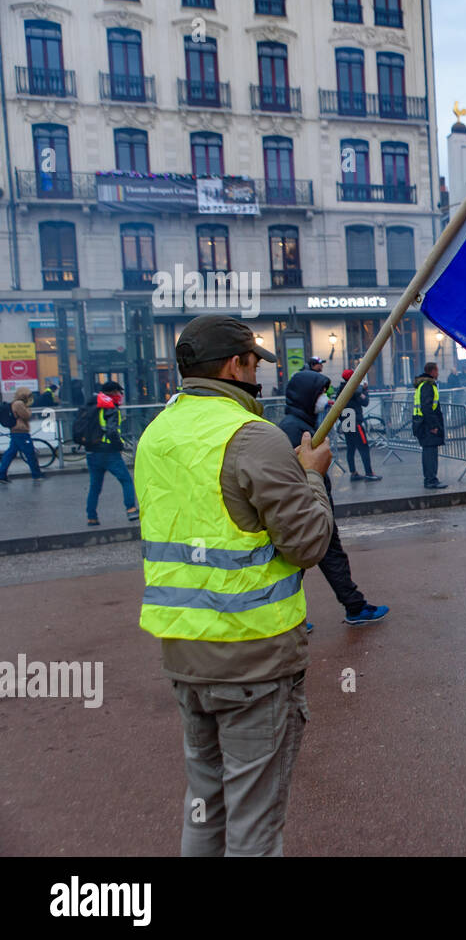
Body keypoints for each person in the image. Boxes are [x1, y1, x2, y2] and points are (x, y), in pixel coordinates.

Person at [134, 314, 334, 856]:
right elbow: (309, 543)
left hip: (184, 653)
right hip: (252, 657)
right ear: (233, 365)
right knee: (254, 820)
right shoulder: (252, 438)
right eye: (253, 362)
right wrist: (312, 473)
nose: (259, 374)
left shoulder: (156, 434)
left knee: (204, 805)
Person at [278, 369, 389, 627]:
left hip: (312, 504)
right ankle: (345, 607)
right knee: (306, 563)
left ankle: (350, 605)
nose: (324, 397)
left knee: (320, 559)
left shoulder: (301, 422)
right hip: (308, 506)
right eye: (319, 392)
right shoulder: (295, 428)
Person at [84, 381, 139, 526]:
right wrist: (119, 445)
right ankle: (131, 510)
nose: (120, 395)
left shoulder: (92, 405)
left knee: (95, 486)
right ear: (113, 392)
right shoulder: (111, 408)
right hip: (108, 452)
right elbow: (112, 431)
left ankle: (91, 517)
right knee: (126, 480)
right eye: (119, 392)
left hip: (91, 452)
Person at [339, 368, 380, 481]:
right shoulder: (354, 390)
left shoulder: (341, 389)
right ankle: (369, 473)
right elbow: (365, 402)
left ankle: (353, 472)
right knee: (364, 447)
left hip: (346, 421)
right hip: (354, 421)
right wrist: (365, 390)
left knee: (351, 448)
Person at [412, 362, 446, 489]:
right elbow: (427, 407)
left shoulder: (422, 385)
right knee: (430, 453)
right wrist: (433, 425)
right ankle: (431, 479)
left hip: (421, 422)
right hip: (426, 425)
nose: (438, 373)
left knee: (428, 452)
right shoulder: (428, 386)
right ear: (432, 371)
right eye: (437, 371)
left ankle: (430, 478)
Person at [0, 386, 44, 482]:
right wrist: (28, 408)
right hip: (21, 432)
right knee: (30, 454)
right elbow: (26, 415)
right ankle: (37, 475)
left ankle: (2, 475)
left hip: (16, 431)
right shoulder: (19, 404)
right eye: (28, 395)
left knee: (10, 454)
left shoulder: (15, 403)